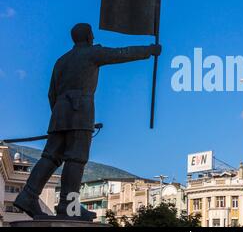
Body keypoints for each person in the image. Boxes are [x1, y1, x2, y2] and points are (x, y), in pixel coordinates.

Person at [14, 23, 161, 221]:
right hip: (80, 111)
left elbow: (51, 93)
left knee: (50, 157)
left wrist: (60, 117)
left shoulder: (61, 61)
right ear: (88, 36)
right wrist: (149, 51)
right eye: (91, 34)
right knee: (76, 159)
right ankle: (68, 204)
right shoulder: (92, 53)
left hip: (59, 114)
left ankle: (28, 196)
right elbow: (121, 53)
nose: (93, 37)